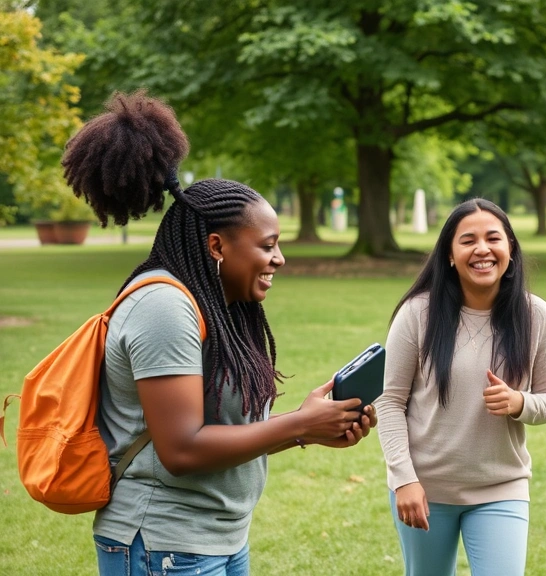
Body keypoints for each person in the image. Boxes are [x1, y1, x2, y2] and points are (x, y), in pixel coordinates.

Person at [61, 91, 376, 576]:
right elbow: (182, 448)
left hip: (218, 539)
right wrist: (298, 425)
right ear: (216, 246)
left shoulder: (217, 303)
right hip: (163, 544)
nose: (279, 259)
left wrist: (307, 428)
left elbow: (225, 435)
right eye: (268, 246)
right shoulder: (163, 306)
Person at [375, 198, 546, 576]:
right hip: (425, 489)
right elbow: (389, 403)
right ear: (449, 254)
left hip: (501, 485)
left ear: (510, 249)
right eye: (468, 240)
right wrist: (404, 480)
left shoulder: (536, 316)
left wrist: (519, 402)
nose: (482, 249)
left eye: (493, 238)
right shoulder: (417, 314)